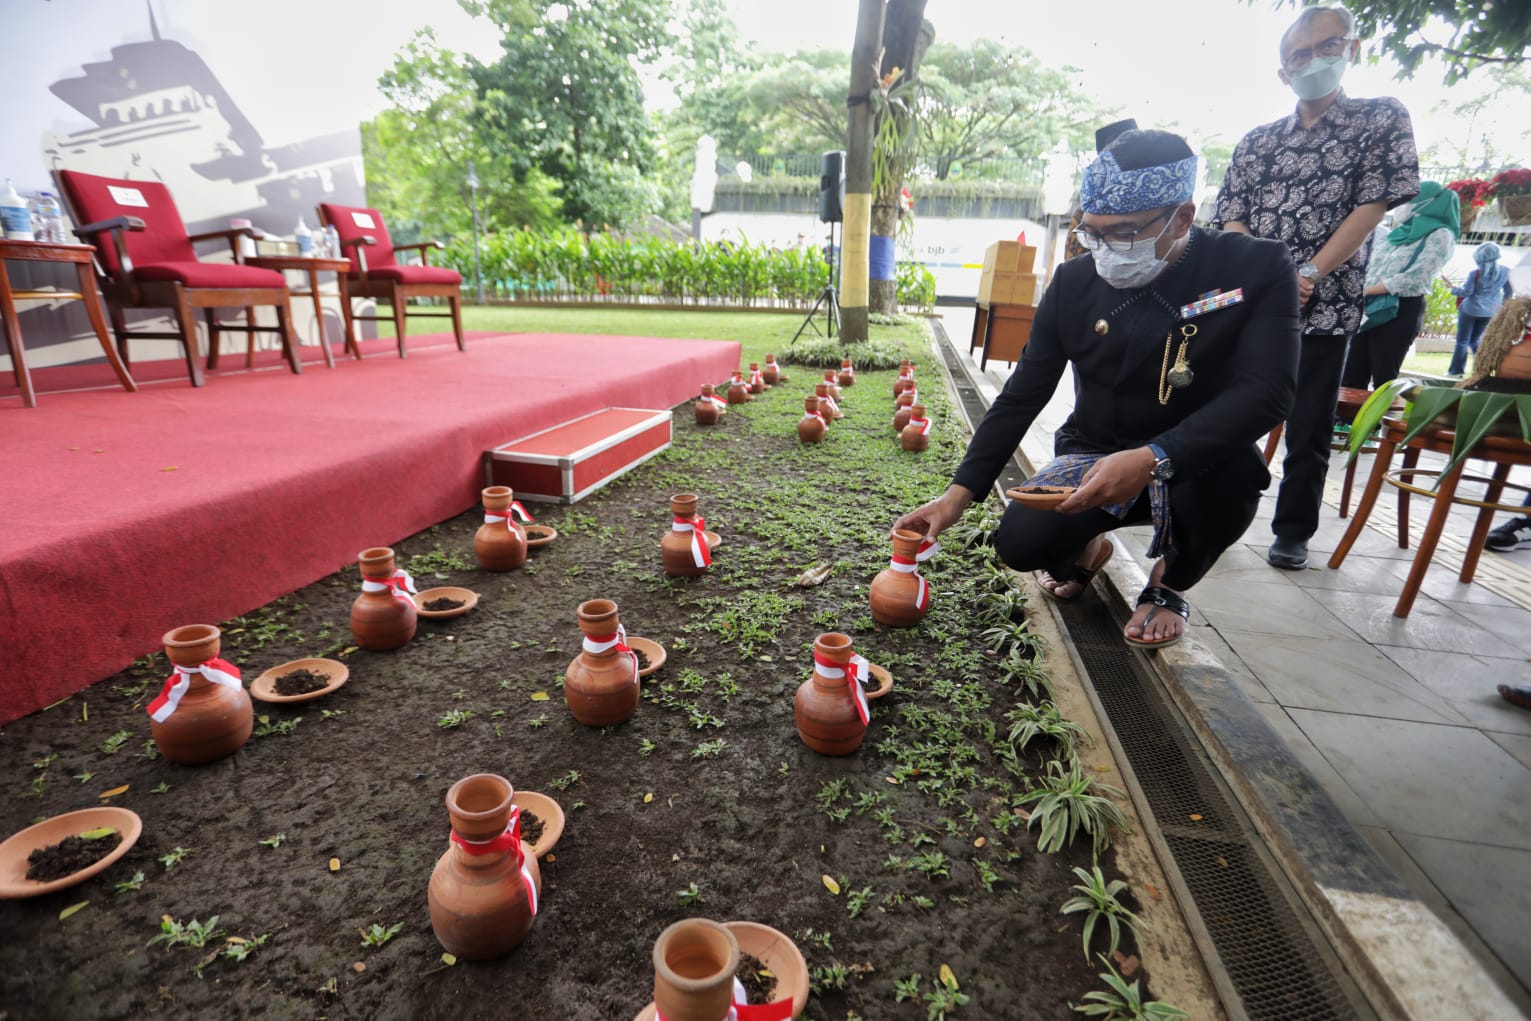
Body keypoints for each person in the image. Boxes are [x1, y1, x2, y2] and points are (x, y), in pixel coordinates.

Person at [893, 129, 1298, 649]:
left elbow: (1268, 392)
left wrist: (1154, 456)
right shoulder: (1074, 283)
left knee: (1233, 482)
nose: (1105, 251)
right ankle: (1089, 547)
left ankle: (1168, 582)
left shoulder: (1254, 267)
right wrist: (957, 494)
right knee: (1020, 543)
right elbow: (1022, 394)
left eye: (1125, 234)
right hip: (1097, 450)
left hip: (1199, 457)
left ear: (1182, 218)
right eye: (1092, 233)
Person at [1216, 3, 1419, 572]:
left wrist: (1308, 274)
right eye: (1299, 55)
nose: (1314, 62)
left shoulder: (1380, 119)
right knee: (1227, 410)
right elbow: (1233, 215)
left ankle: (1293, 530)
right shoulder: (1258, 142)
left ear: (1352, 49)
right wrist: (1263, 276)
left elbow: (1373, 205)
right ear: (1283, 72)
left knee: (1308, 424)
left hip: (1326, 302)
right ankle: (1214, 506)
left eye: (1329, 47)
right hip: (1254, 304)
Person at [1341, 182, 1460, 389]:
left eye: (1410, 200)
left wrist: (1366, 290)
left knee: (1384, 373)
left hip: (1400, 308)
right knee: (1352, 369)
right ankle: (1345, 420)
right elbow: (1372, 268)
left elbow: (1415, 277)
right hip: (1368, 304)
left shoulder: (1440, 235)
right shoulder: (1396, 234)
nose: (1403, 205)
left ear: (1432, 202)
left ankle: (1377, 420)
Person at [1449, 242, 1515, 377]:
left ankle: (1456, 372)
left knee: (1462, 341)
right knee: (1476, 340)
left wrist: (1451, 288)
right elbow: (1508, 293)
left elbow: (1467, 293)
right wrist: (1500, 307)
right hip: (1490, 312)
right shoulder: (1506, 271)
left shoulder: (1475, 273)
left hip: (1470, 310)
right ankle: (1483, 370)